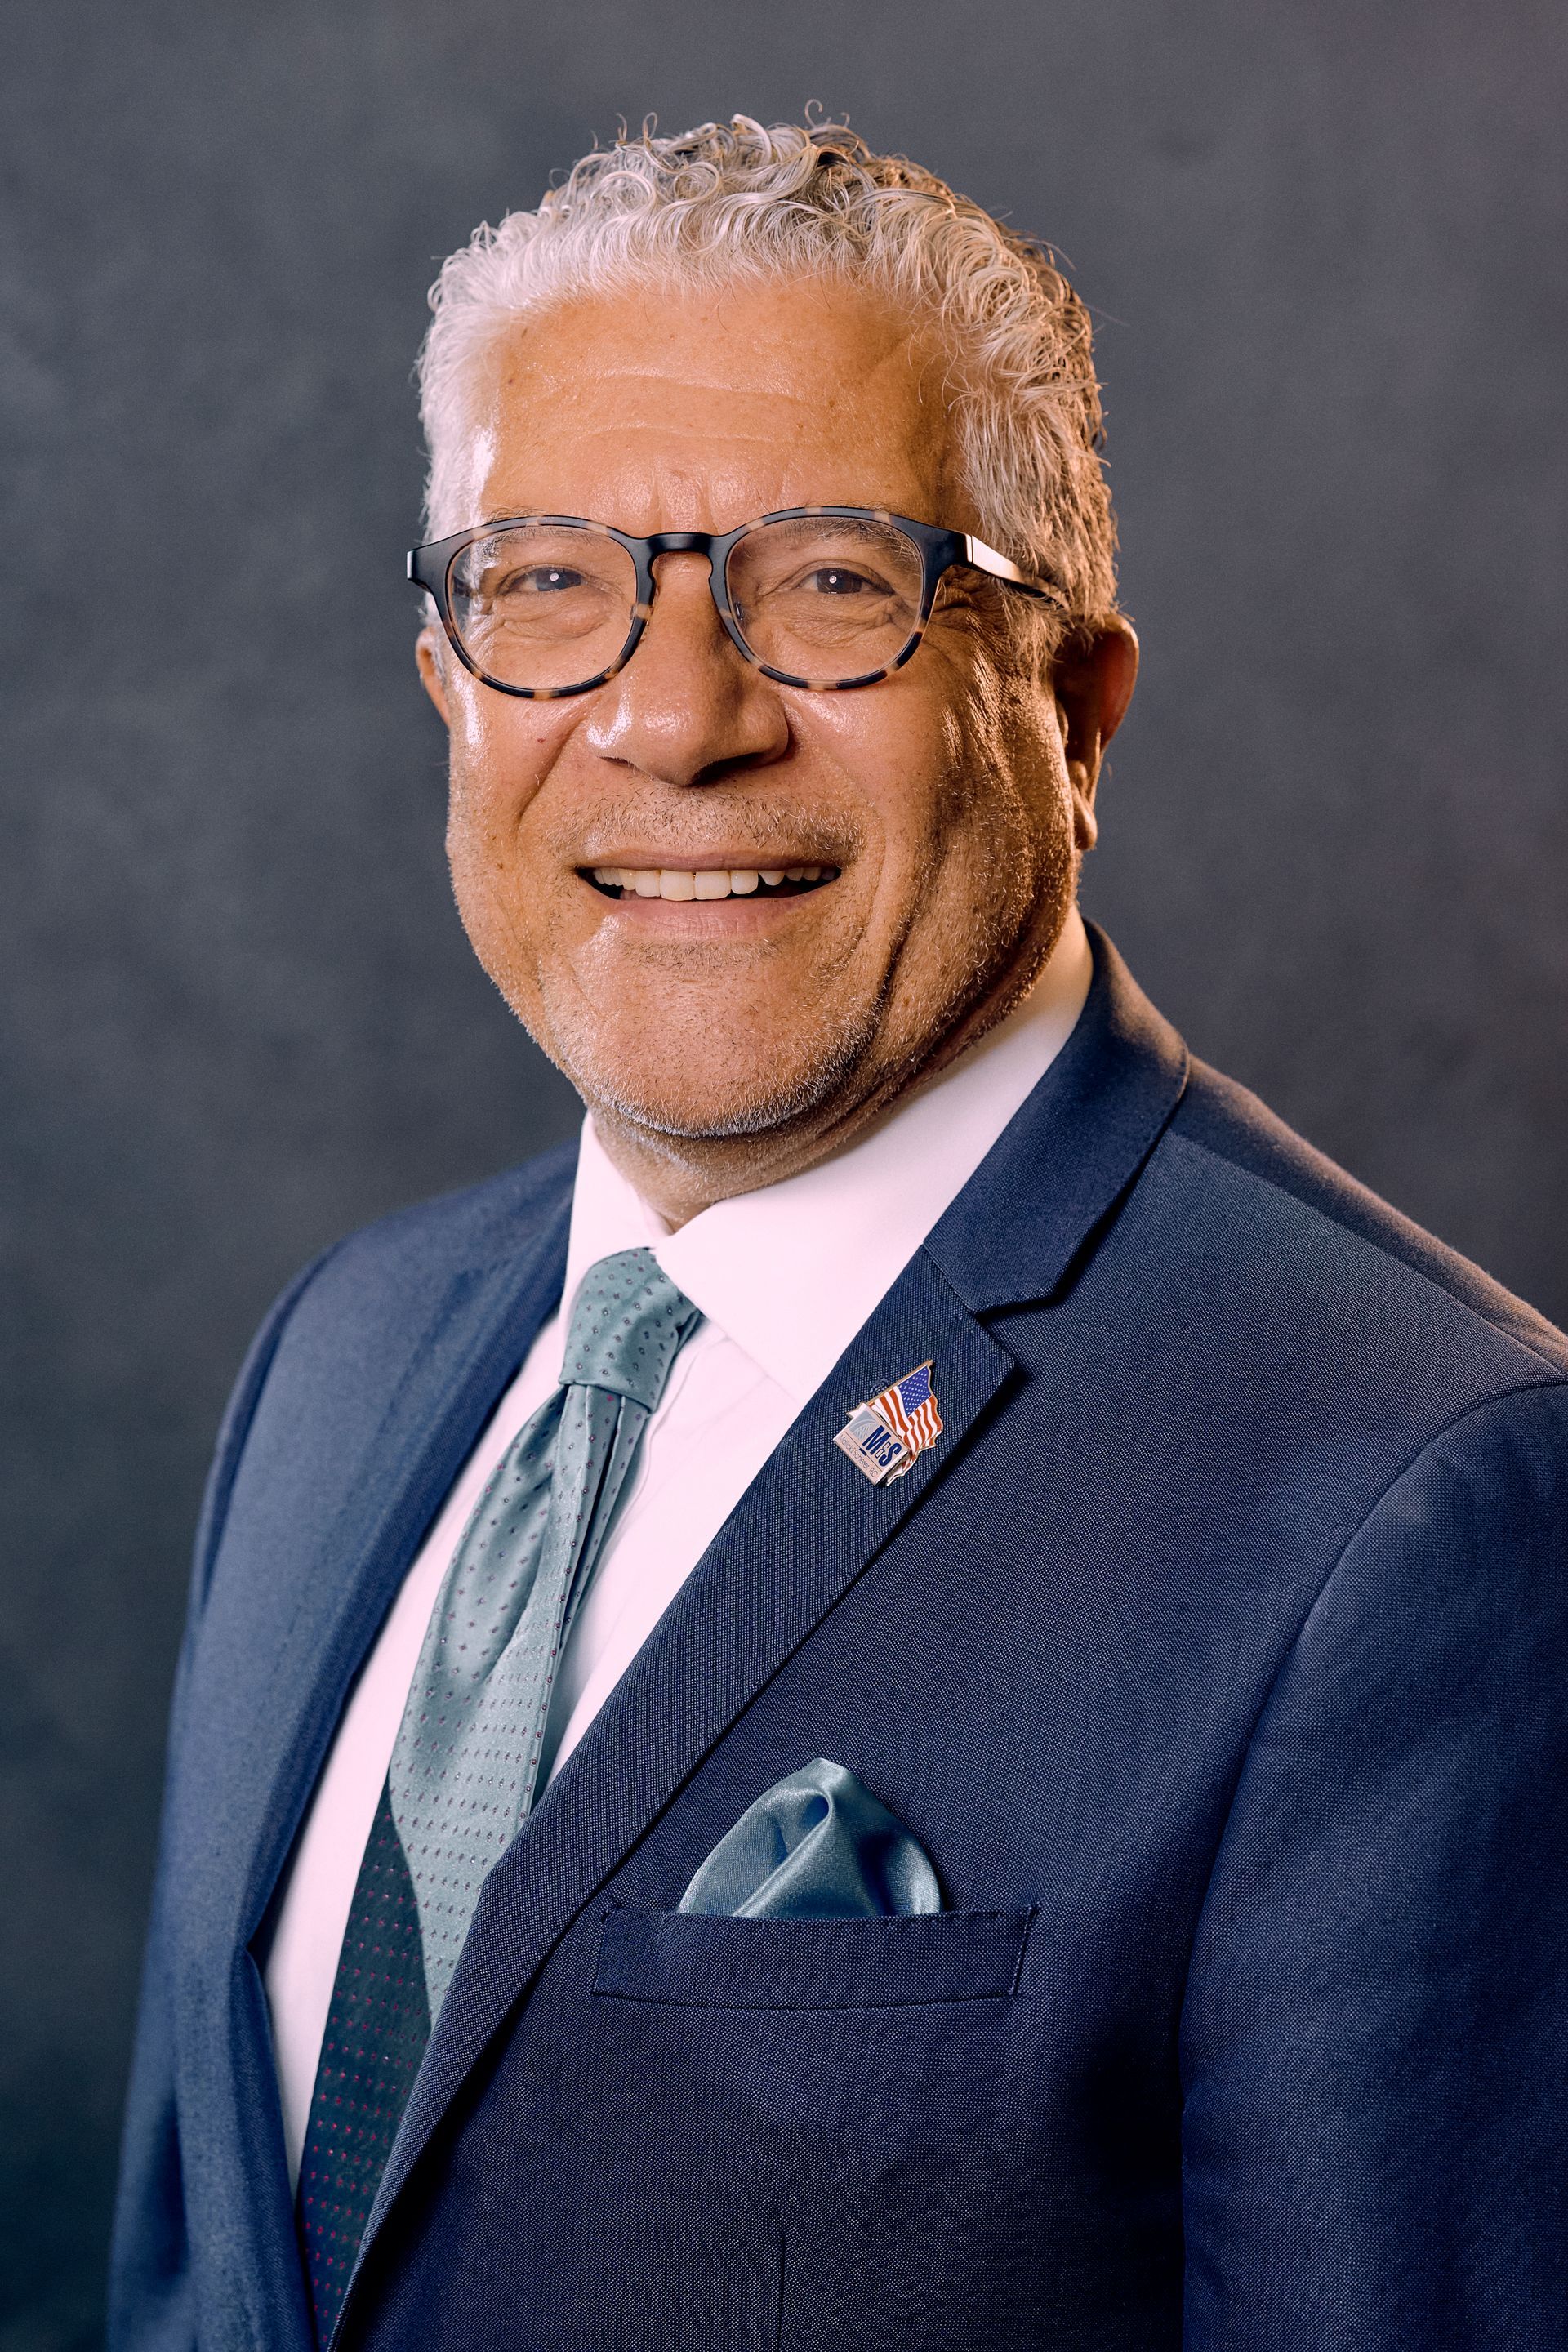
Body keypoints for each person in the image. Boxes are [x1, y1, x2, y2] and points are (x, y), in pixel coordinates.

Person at [109, 118, 1568, 2352]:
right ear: (450, 688)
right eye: (551, 584)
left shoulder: (1423, 1503)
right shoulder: (344, 1359)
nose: (676, 718)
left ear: (1072, 712)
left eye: (832, 583)